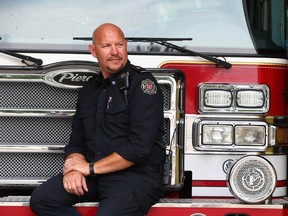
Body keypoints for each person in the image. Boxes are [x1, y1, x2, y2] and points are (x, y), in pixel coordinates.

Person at [29, 23, 165, 216]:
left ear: (126, 45)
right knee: (43, 199)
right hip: (96, 175)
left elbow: (138, 148)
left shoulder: (143, 85)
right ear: (93, 51)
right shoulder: (89, 91)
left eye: (119, 45)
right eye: (106, 46)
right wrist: (74, 168)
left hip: (135, 177)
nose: (115, 52)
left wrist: (88, 168)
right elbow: (77, 142)